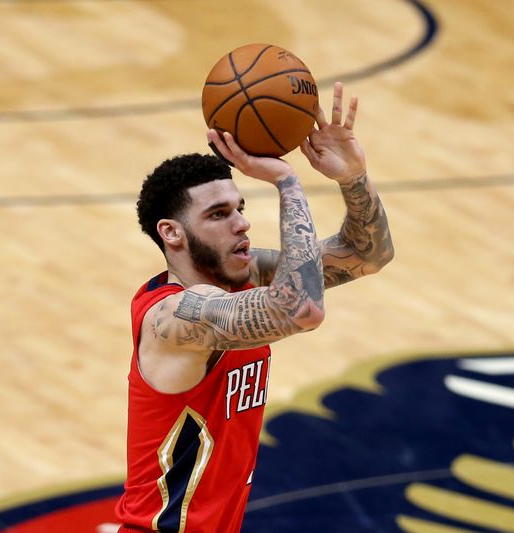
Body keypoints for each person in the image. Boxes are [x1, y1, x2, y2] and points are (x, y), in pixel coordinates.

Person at [114, 82, 394, 533]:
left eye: (239, 207)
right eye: (218, 214)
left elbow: (368, 254)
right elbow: (302, 310)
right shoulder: (173, 318)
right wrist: (286, 181)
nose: (243, 222)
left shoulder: (242, 277)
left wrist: (353, 177)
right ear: (171, 233)